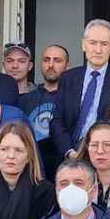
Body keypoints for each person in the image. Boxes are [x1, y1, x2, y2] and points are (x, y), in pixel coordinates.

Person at [54, 19, 110, 158]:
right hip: (69, 155)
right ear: (83, 45)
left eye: (104, 44)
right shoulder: (68, 78)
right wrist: (69, 152)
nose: (98, 50)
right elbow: (56, 121)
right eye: (93, 43)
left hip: (107, 155)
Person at [18, 44, 68, 177]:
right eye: (46, 60)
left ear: (67, 66)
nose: (50, 65)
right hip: (32, 169)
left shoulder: (72, 100)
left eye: (57, 60)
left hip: (64, 168)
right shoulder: (25, 100)